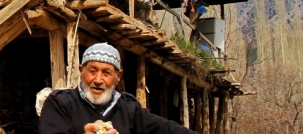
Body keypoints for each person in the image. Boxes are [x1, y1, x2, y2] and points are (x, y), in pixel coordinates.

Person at [39, 43, 197, 134]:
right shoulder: (59, 103)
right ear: (81, 71)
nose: (98, 80)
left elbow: (165, 129)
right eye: (92, 71)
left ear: (118, 77)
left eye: (106, 73)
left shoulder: (128, 108)